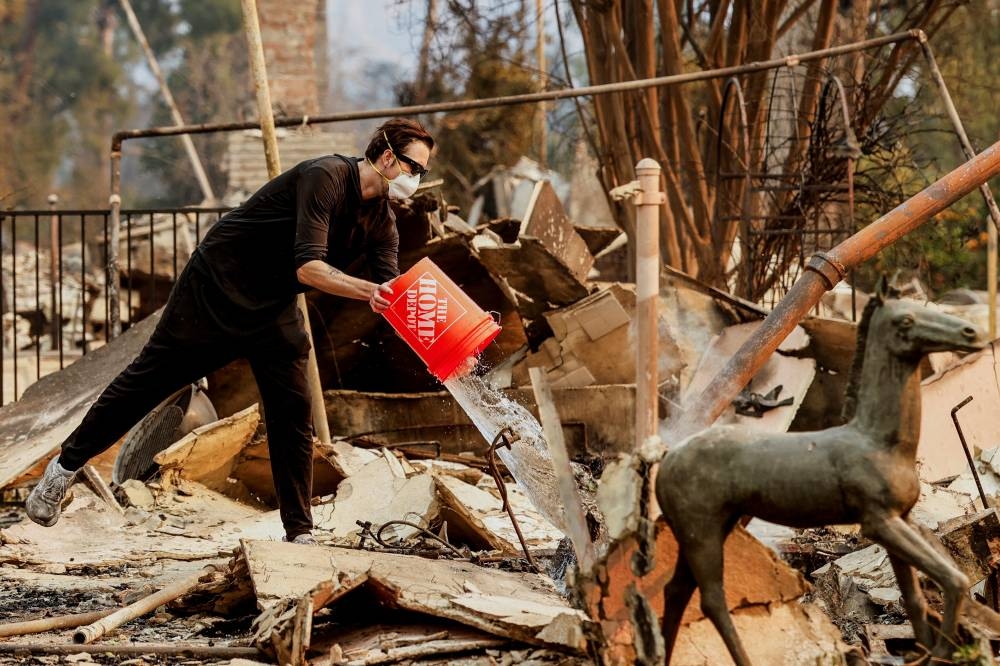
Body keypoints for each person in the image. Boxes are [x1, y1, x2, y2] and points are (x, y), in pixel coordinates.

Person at [26, 118, 435, 545]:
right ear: (388, 157)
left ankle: (300, 532)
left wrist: (442, 341)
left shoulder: (383, 222)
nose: (418, 179)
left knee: (293, 411)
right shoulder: (326, 177)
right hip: (218, 283)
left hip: (273, 306)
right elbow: (309, 266)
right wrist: (369, 291)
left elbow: (396, 295)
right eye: (415, 168)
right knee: (148, 380)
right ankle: (61, 471)